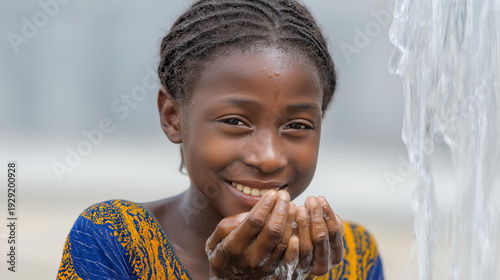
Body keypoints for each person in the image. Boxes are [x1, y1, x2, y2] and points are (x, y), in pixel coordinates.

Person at [57, 0, 384, 279]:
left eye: (297, 126)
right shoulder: (113, 239)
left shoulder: (351, 258)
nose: (268, 157)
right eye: (234, 122)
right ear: (172, 117)